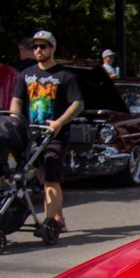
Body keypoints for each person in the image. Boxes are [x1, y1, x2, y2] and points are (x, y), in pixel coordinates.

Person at [10, 30, 83, 233]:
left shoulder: (65, 75)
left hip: (55, 136)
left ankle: (49, 223)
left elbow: (77, 104)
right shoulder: (26, 75)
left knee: (51, 179)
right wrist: (15, 121)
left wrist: (59, 122)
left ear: (52, 48)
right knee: (45, 181)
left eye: (43, 46)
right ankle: (59, 219)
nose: (38, 50)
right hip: (32, 135)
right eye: (35, 47)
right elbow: (17, 100)